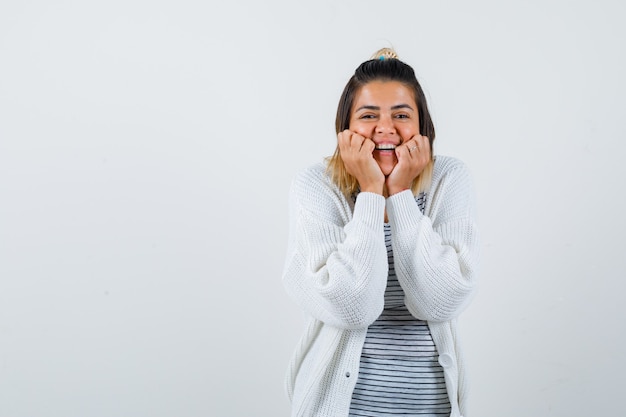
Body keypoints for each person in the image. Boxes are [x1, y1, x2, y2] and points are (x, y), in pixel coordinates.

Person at [282, 47, 479, 417]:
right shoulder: (316, 186)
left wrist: (400, 194)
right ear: (346, 127)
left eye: (401, 115)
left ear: (422, 127)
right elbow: (351, 307)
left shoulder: (450, 180)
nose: (385, 128)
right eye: (368, 114)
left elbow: (440, 302)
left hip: (430, 407)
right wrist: (372, 193)